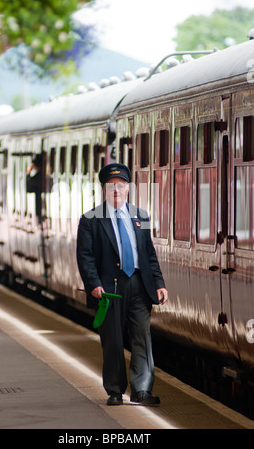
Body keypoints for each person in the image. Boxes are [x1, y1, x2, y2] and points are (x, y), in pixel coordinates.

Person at [76, 163, 168, 406]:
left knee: (142, 336)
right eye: (111, 186)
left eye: (120, 186)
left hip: (139, 284)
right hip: (109, 290)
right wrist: (93, 284)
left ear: (128, 188)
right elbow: (85, 257)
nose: (116, 191)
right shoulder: (90, 220)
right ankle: (115, 390)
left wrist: (159, 283)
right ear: (104, 190)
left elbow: (149, 254)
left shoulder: (142, 216)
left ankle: (142, 390)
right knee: (114, 340)